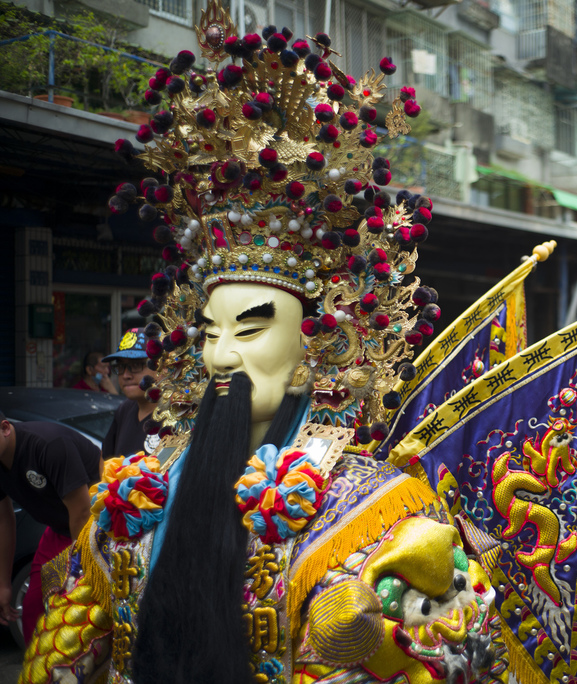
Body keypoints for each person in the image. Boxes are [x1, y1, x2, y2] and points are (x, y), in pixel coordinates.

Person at [20, 19, 505, 684]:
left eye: (249, 331)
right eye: (211, 333)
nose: (222, 358)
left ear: (318, 343)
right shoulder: (134, 501)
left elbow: (453, 655)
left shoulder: (373, 514)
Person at [0, 412, 100, 643]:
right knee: (34, 606)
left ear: (5, 428)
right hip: (58, 531)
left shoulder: (48, 445)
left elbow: (82, 512)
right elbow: (4, 520)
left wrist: (78, 573)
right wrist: (4, 584)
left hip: (96, 529)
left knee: (85, 615)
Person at [100, 328, 162, 458]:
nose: (126, 375)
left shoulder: (179, 415)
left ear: (163, 367)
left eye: (136, 365)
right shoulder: (125, 409)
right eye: (120, 367)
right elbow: (105, 460)